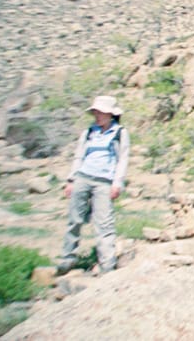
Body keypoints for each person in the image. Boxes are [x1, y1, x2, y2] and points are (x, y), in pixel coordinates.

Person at [57, 95, 131, 274]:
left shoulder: (120, 133)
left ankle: (107, 264)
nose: (97, 116)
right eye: (96, 112)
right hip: (83, 177)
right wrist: (71, 179)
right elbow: (79, 156)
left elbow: (123, 159)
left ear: (110, 114)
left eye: (101, 112)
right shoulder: (89, 132)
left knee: (104, 223)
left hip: (104, 182)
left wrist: (117, 183)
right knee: (74, 219)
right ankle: (68, 258)